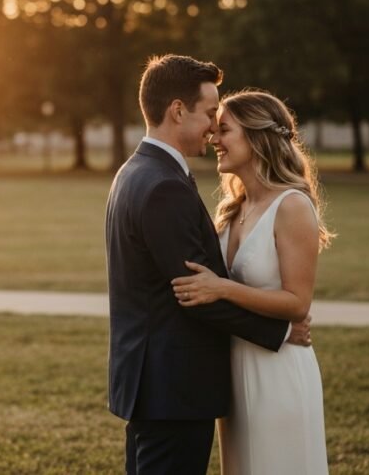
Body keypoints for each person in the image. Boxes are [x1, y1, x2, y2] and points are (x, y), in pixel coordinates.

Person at [105, 55, 311, 475]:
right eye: (210, 113)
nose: (213, 128)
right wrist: (280, 330)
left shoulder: (134, 172)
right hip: (173, 387)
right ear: (178, 111)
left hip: (156, 383)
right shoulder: (163, 184)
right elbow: (195, 293)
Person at [171, 89, 333, 474]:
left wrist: (221, 288)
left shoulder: (291, 205)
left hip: (278, 369)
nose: (213, 138)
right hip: (233, 369)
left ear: (257, 136)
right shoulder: (233, 210)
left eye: (224, 130)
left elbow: (298, 304)